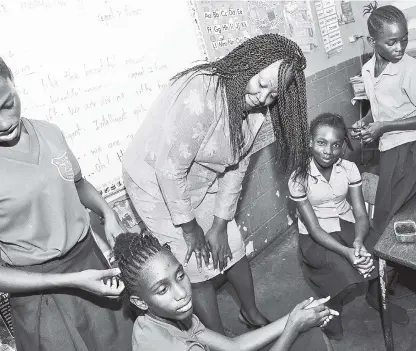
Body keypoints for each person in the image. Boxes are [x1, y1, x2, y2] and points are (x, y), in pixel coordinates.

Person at [0, 24, 128, 350]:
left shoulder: (49, 132)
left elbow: (75, 184)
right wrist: (70, 281)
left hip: (90, 264)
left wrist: (107, 212)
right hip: (40, 291)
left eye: (8, 104)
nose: (3, 124)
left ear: (13, 83)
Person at [122, 33, 310, 333]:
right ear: (247, 64)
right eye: (261, 84)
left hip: (199, 176)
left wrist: (220, 224)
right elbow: (169, 171)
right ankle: (218, 338)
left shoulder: (259, 111)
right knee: (192, 265)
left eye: (274, 95)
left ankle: (251, 314)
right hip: (154, 182)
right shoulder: (201, 94)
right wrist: (190, 227)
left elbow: (237, 167)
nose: (263, 98)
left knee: (231, 242)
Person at [288, 113, 408, 340]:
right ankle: (330, 312)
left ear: (343, 147)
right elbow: (313, 229)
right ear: (310, 143)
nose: (327, 151)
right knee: (345, 279)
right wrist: (348, 252)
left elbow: (361, 213)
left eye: (335, 145)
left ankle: (376, 296)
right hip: (316, 237)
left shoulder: (349, 168)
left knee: (388, 259)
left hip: (348, 226)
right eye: (321, 143)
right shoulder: (298, 177)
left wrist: (358, 241)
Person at [113, 231, 338, 351]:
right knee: (307, 340)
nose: (181, 293)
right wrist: (294, 326)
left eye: (180, 276)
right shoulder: (174, 347)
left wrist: (295, 315)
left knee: (307, 335)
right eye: (162, 289)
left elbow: (233, 346)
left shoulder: (158, 318)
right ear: (140, 302)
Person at [351, 3, 415, 324]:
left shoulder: (409, 68)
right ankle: (378, 290)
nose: (400, 46)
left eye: (403, 38)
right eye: (391, 42)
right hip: (390, 152)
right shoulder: (367, 68)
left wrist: (384, 127)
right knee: (387, 221)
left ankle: (379, 292)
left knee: (387, 222)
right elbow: (380, 109)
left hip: (409, 151)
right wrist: (367, 122)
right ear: (372, 41)